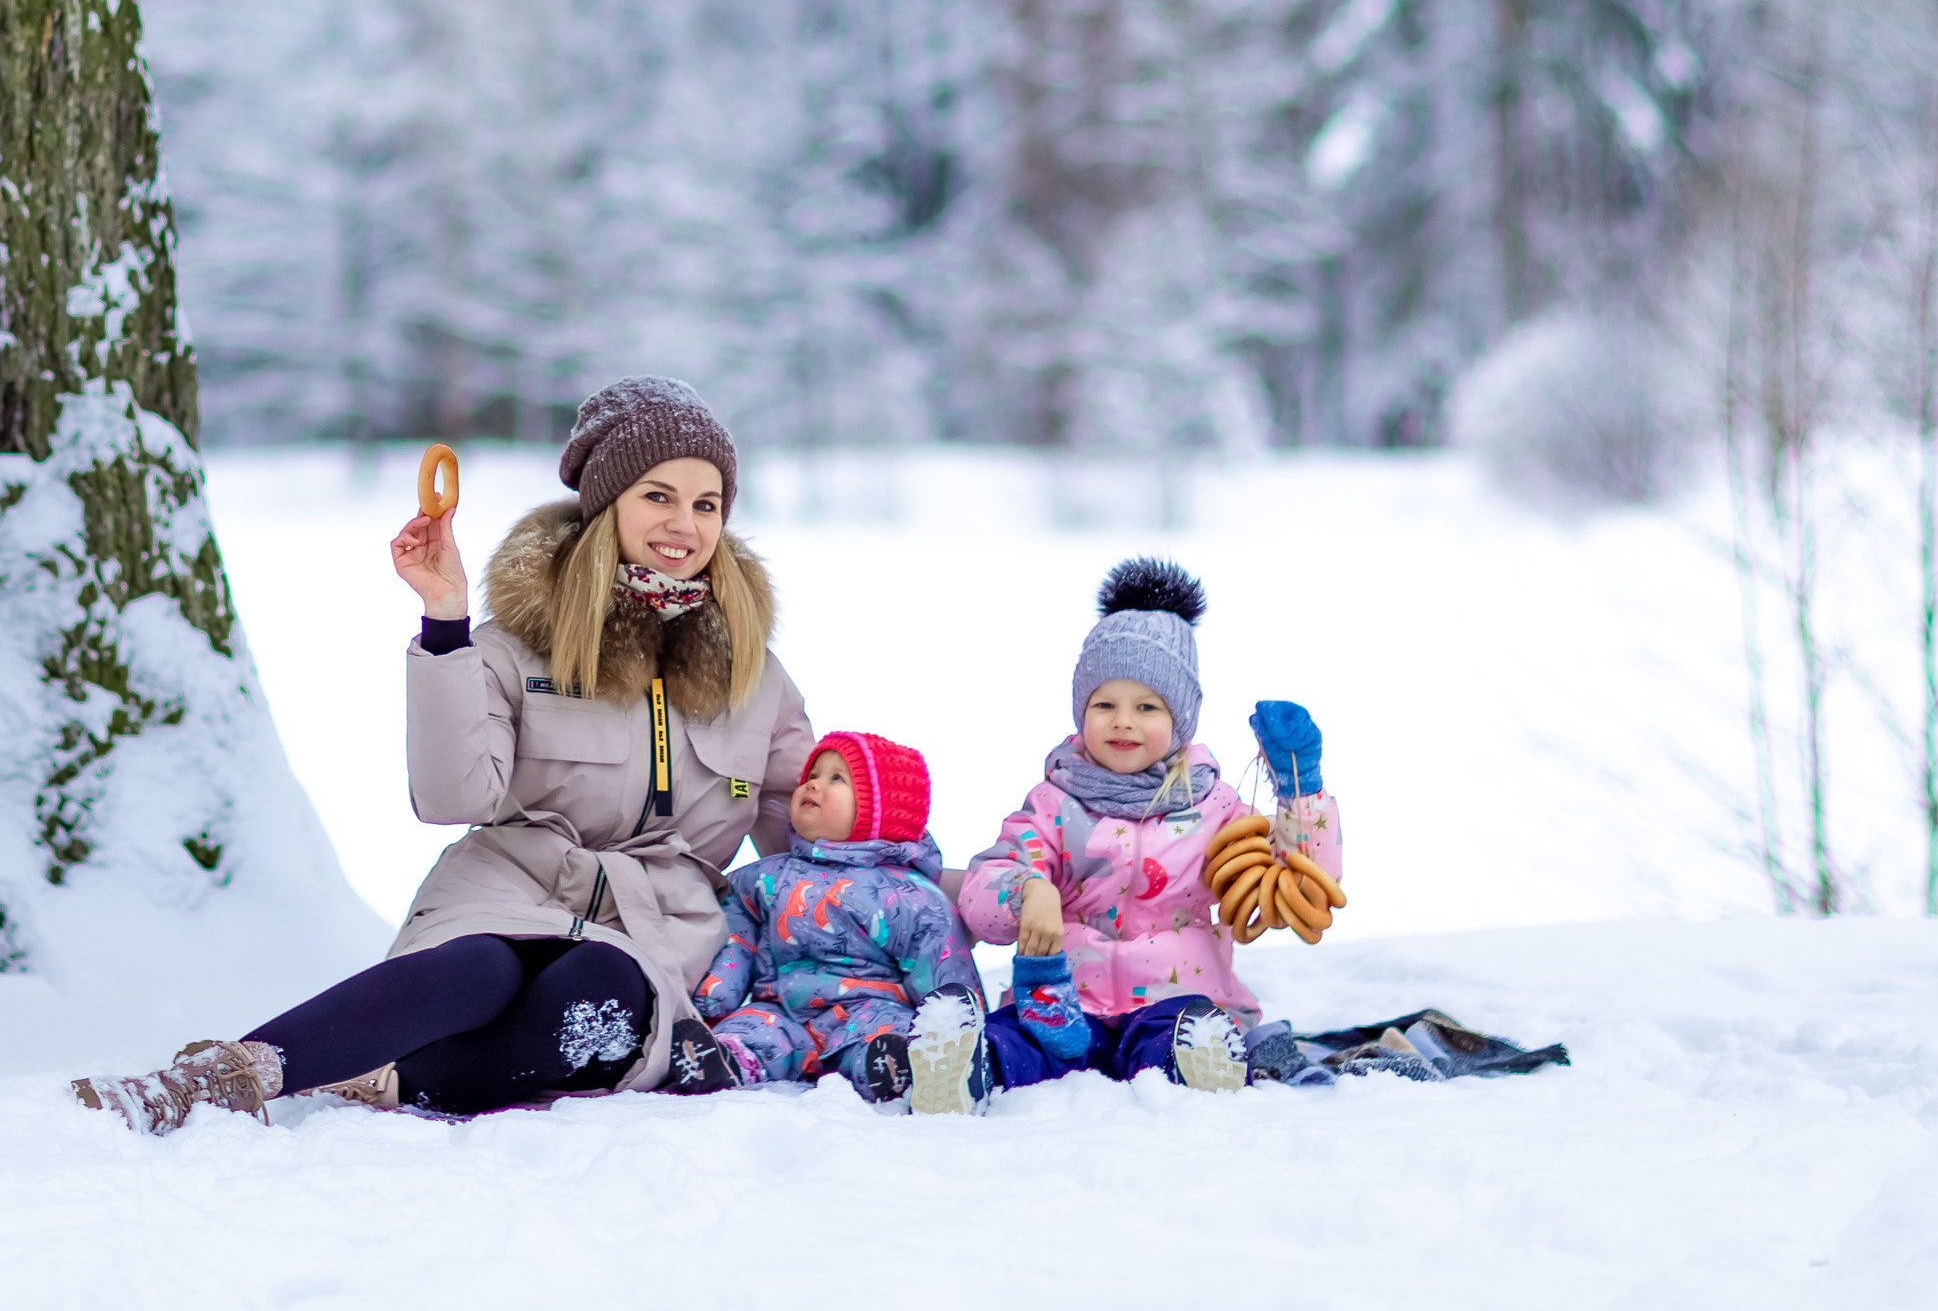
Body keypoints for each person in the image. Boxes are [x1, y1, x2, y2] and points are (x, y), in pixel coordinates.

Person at [72, 377, 817, 1131]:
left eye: (706, 503)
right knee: (485, 964)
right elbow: (453, 795)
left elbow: (821, 833)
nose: (683, 525)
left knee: (602, 985)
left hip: (655, 939)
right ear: (608, 501)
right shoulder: (517, 644)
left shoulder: (754, 678)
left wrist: (931, 897)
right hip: (508, 890)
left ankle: (389, 1076)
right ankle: (221, 1075)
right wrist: (445, 621)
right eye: (659, 495)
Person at [947, 556, 1342, 1103]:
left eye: (1147, 706)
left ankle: (1201, 1059)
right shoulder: (1054, 803)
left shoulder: (1216, 808)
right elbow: (984, 889)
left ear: (1180, 720)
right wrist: (1026, 891)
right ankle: (970, 1066)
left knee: (1179, 1035)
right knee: (1023, 1041)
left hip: (1176, 996)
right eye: (1103, 703)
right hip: (1064, 999)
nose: (1123, 720)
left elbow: (1298, 884)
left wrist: (1303, 792)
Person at [687, 731, 985, 1109]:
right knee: (752, 1030)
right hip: (781, 1010)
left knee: (885, 1035)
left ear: (879, 810)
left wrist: (956, 1025)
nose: (813, 782)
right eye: (813, 773)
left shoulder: (908, 896)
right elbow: (738, 932)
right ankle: (724, 1061)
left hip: (869, 1008)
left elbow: (942, 965)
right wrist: (719, 990)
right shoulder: (764, 877)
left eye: (836, 779)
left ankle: (894, 1070)